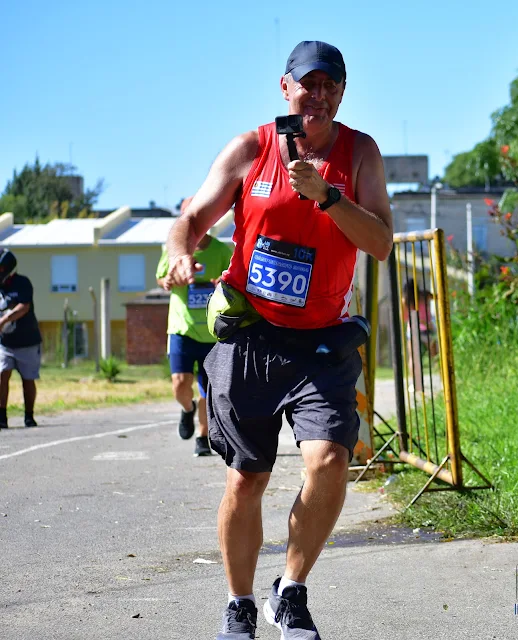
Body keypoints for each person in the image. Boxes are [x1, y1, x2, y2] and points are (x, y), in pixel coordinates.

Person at [165, 40, 392, 639]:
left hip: (322, 344)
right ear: (285, 86)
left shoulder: (360, 152)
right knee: (247, 478)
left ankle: (290, 590)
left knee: (331, 461)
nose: (319, 95)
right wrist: (180, 252)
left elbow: (380, 242)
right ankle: (239, 603)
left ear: (342, 93)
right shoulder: (251, 148)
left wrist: (328, 197)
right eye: (308, 83)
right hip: (252, 339)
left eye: (330, 86)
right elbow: (190, 220)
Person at [156, 197, 233, 456]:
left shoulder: (221, 251)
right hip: (182, 328)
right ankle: (187, 409)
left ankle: (202, 436)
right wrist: (168, 281)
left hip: (212, 331)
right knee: (180, 383)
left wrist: (221, 283)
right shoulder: (174, 250)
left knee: (208, 390)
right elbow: (162, 279)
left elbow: (234, 279)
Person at [0, 249, 42, 429]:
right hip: (5, 342)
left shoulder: (22, 283)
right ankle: (2, 416)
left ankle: (29, 416)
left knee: (28, 379)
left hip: (27, 342)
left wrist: (3, 320)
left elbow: (24, 307)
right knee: (2, 375)